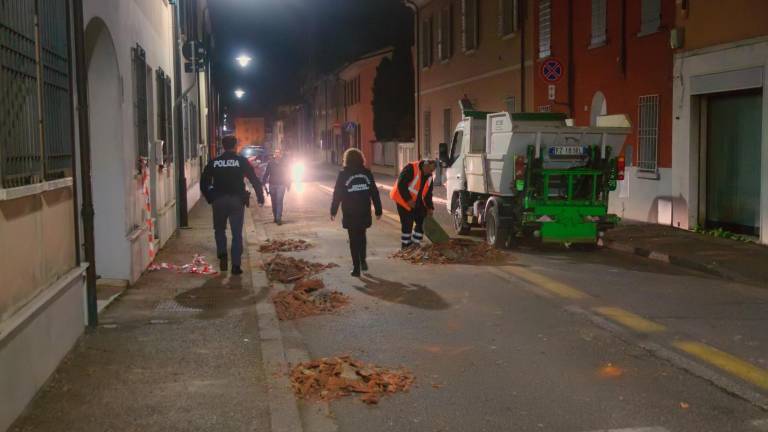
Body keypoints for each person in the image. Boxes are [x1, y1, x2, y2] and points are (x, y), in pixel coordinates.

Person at [200, 135, 265, 275]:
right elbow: (254, 179)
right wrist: (260, 197)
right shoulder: (241, 161)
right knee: (236, 234)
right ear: (235, 146)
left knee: (219, 230)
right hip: (236, 200)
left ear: (223, 146)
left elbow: (203, 181)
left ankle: (222, 253)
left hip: (219, 200)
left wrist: (209, 197)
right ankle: (236, 266)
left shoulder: (214, 162)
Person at [331, 148, 383, 277]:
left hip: (350, 211)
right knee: (362, 235)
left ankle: (356, 268)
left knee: (353, 239)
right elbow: (374, 192)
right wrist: (378, 210)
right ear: (361, 159)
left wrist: (333, 210)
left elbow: (337, 194)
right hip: (364, 210)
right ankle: (363, 260)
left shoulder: (343, 174)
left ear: (346, 160)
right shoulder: (367, 173)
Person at [390, 159, 436, 249]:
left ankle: (415, 242)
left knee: (423, 219)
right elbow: (401, 184)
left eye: (432, 171)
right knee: (407, 222)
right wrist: (408, 200)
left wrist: (430, 207)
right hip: (402, 199)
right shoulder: (411, 168)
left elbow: (428, 194)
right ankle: (405, 245)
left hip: (416, 201)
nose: (431, 172)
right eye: (430, 170)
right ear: (425, 166)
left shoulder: (429, 176)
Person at [263, 149, 291, 225]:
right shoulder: (270, 163)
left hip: (281, 185)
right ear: (274, 154)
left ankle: (279, 218)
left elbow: (288, 174)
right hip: (272, 185)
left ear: (281, 155)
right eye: (276, 153)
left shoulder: (284, 163)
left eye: (279, 153)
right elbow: (266, 173)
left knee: (279, 200)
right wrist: (264, 182)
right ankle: (275, 216)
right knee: (274, 201)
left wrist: (288, 184)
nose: (277, 154)